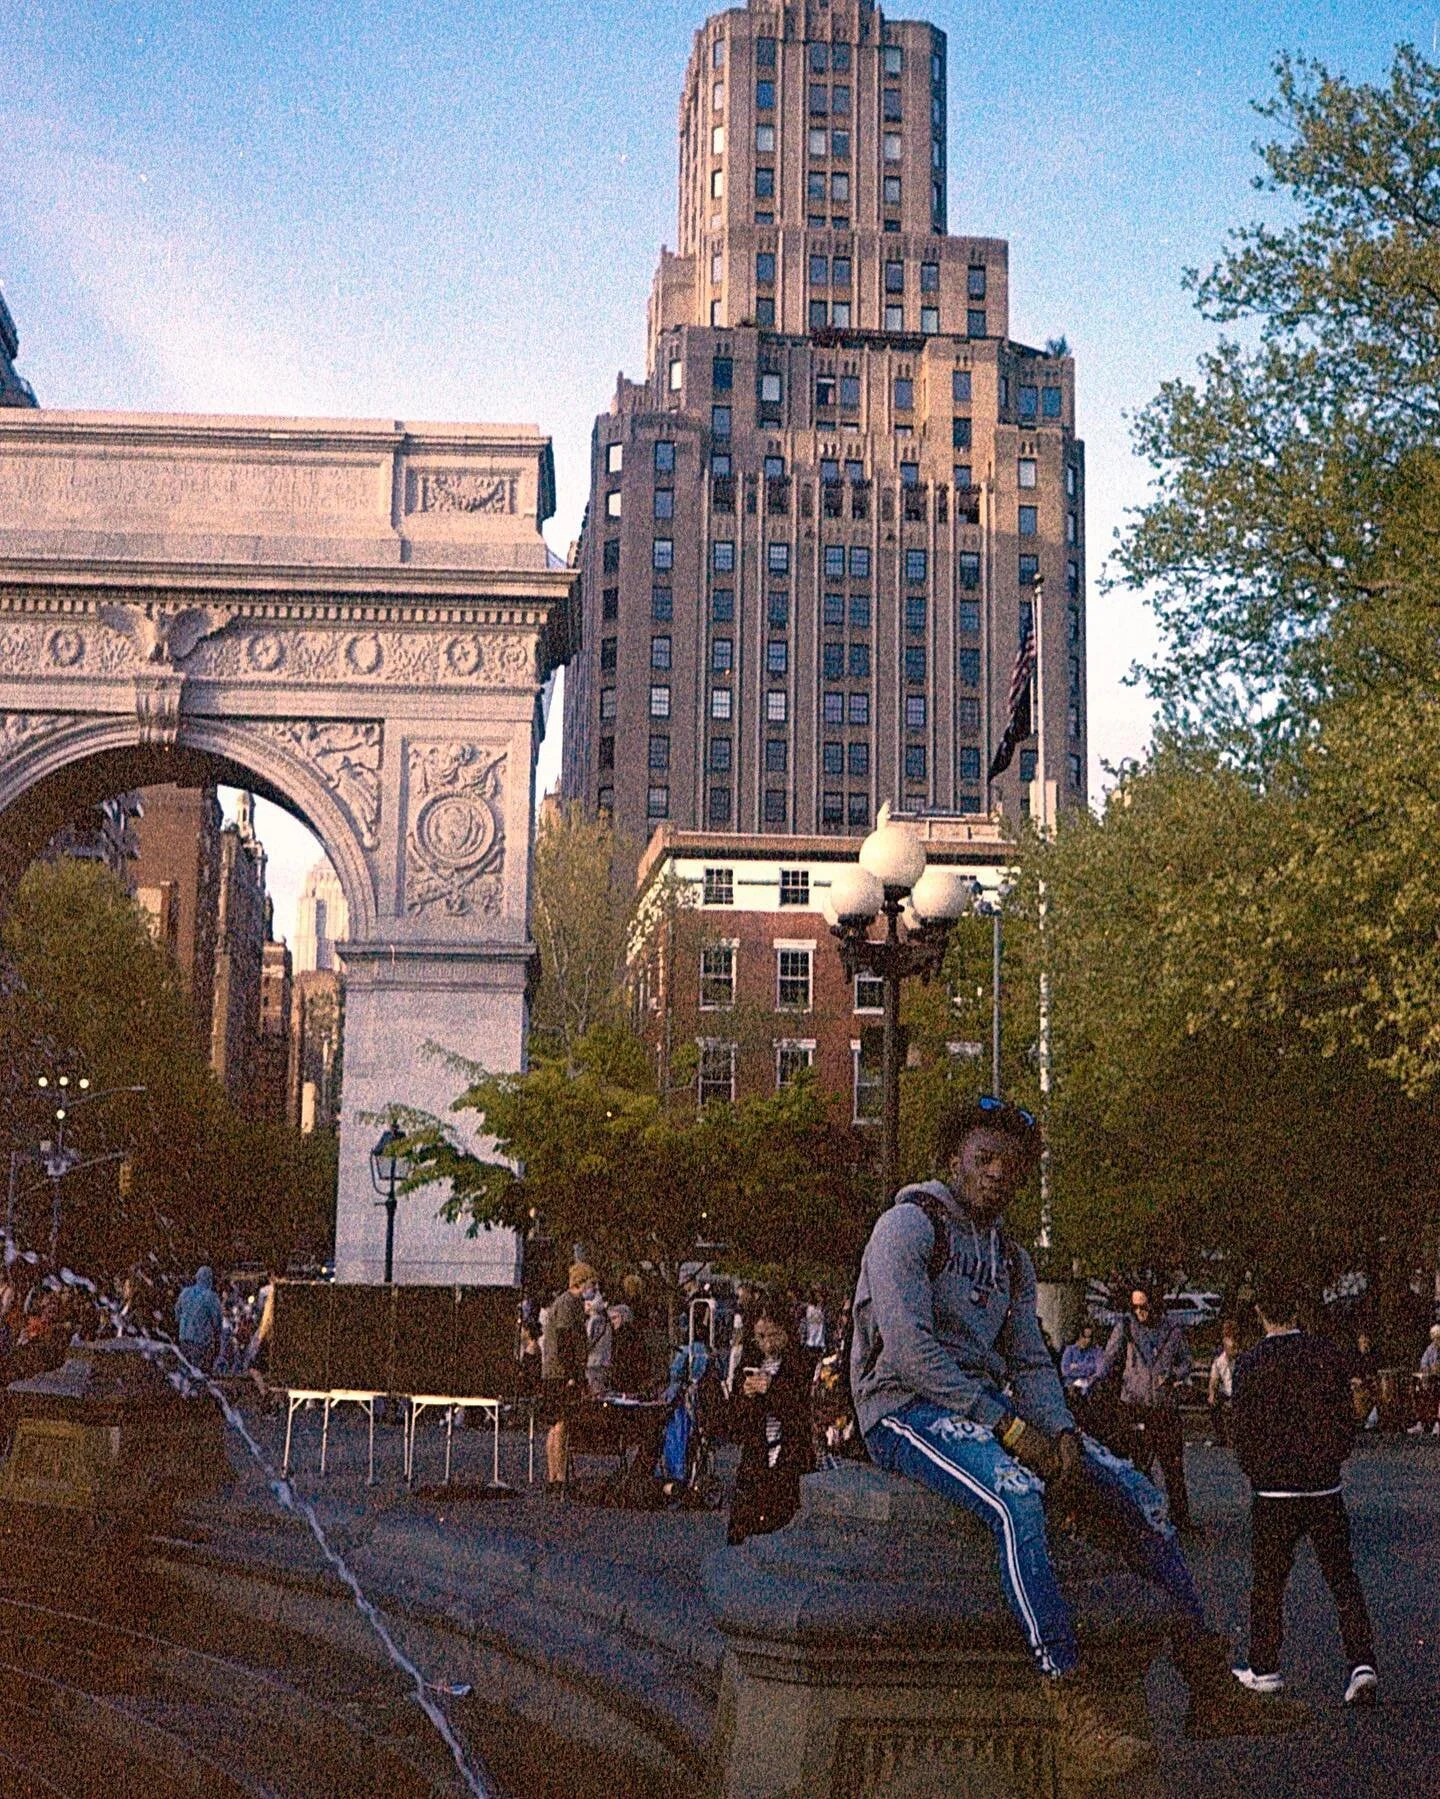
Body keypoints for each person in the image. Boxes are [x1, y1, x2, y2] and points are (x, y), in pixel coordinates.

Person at [851, 1096, 1303, 1782]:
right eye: (983, 1159)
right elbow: (910, 1350)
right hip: (901, 1406)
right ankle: (1070, 1710)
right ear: (952, 1161)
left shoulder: (1010, 1258)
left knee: (1140, 1495)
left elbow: (1031, 1359)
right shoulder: (907, 1226)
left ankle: (1209, 1684)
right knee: (1016, 1497)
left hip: (985, 1403)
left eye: (1010, 1164)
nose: (997, 1174)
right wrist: (1008, 1426)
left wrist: (1060, 1430)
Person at [1230, 1275, 1378, 1708]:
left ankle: (1264, 1666)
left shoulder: (1250, 1363)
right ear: (1296, 1311)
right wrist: (1333, 1458)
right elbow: (1345, 1417)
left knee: (1268, 1582)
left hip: (1274, 1490)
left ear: (1260, 1314)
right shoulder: (1326, 1355)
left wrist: (1257, 1471)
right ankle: (1361, 1662)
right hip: (1322, 1484)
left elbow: (1241, 1429)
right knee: (1342, 1578)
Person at [1098, 1285, 1197, 1531]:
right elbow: (1108, 1362)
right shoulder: (1126, 1327)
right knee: (1138, 1464)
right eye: (1135, 1307)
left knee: (1172, 1466)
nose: (1139, 1312)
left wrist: (1174, 1375)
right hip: (1135, 1404)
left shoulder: (1172, 1330)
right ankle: (1139, 1514)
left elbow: (1186, 1361)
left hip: (1164, 1406)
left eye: (1143, 1307)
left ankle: (1180, 1518)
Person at [726, 1296, 814, 1545]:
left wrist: (773, 1390)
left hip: (788, 1457)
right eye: (760, 1336)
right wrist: (745, 1396)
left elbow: (801, 1414)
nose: (767, 1343)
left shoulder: (801, 1364)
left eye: (774, 1335)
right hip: (756, 1459)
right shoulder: (749, 1364)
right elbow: (734, 1422)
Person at [540, 1262, 595, 1490]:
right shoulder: (568, 1304)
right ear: (581, 1283)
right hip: (561, 1373)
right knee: (561, 1424)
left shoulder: (565, 1303)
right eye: (591, 1283)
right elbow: (565, 1341)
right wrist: (573, 1374)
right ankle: (559, 1476)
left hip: (554, 1371)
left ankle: (554, 1476)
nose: (593, 1288)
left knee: (555, 1424)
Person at [175, 1265, 223, 1374]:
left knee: (186, 1370)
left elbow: (177, 1312)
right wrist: (217, 1335)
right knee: (200, 1372)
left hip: (184, 1338)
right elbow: (217, 1320)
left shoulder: (185, 1293)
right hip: (202, 1341)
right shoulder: (211, 1297)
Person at [1208, 1322, 1240, 1447]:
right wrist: (1212, 1394)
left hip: (1240, 1392)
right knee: (1214, 1404)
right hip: (1227, 1392)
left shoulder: (1243, 1359)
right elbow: (1213, 1380)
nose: (1234, 1350)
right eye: (1231, 1348)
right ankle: (1221, 1436)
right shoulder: (1219, 1361)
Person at [1409, 1324, 1440, 1437]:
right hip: (1431, 1379)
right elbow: (1423, 1363)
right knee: (1417, 1390)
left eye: (1437, 1337)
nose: (1435, 1340)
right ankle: (1420, 1422)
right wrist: (1426, 1368)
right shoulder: (1430, 1348)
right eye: (1433, 1337)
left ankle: (1437, 1423)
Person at [584, 1286, 613, 1397]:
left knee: (596, 1392)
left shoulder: (594, 1320)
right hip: (604, 1360)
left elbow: (588, 1340)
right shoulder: (605, 1320)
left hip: (594, 1361)